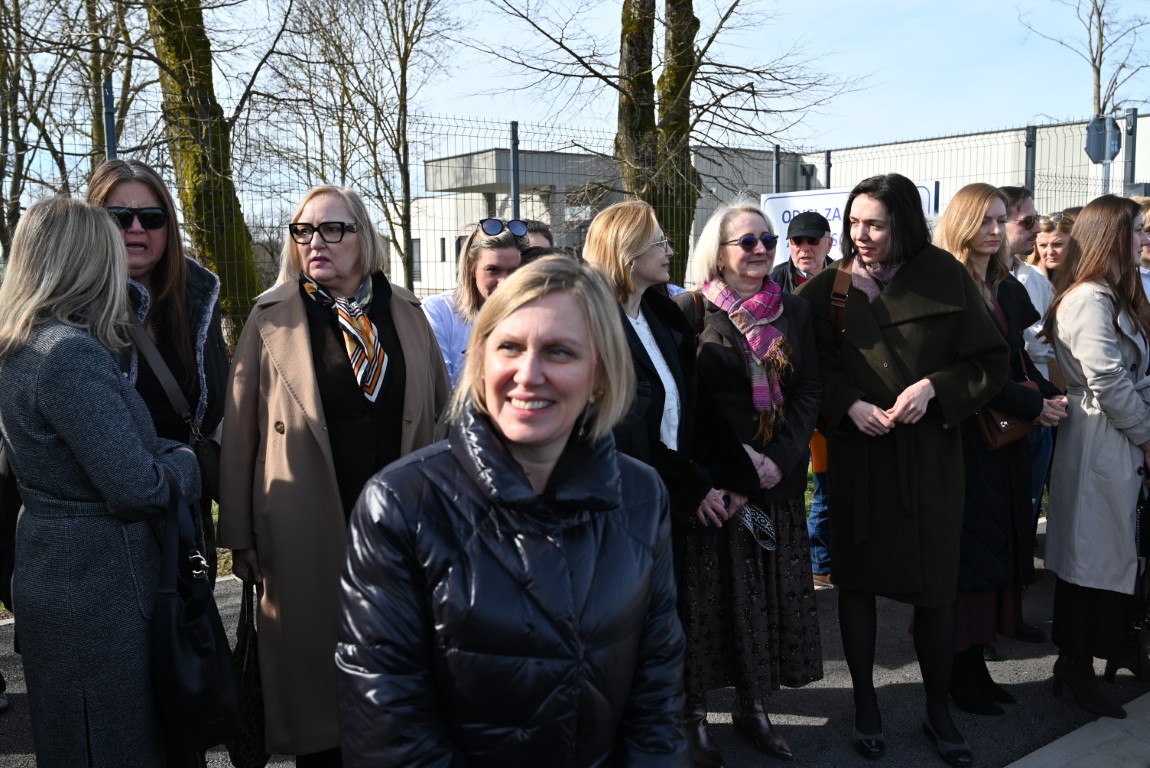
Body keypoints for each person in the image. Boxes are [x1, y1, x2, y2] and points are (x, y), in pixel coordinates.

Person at [335, 256, 687, 766]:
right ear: (480, 360)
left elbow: (658, 701)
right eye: (510, 347)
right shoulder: (399, 505)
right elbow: (389, 732)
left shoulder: (640, 495)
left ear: (600, 374)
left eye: (559, 351)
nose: (528, 374)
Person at [219, 185, 449, 766]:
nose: (314, 242)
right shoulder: (270, 318)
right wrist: (239, 537)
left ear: (363, 237)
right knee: (318, 693)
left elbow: (441, 418)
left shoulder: (407, 313)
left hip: (399, 528)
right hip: (304, 524)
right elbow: (241, 433)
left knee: (397, 675)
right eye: (303, 231)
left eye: (332, 229)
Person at [800, 173, 1007, 767]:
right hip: (860, 458)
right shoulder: (829, 288)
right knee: (856, 584)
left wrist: (934, 388)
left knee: (936, 590)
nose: (860, 235)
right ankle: (865, 702)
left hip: (931, 458)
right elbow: (814, 370)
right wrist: (848, 405)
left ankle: (937, 709)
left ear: (905, 224)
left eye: (876, 224)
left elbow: (988, 360)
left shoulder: (944, 274)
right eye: (854, 223)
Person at [0, 197, 201, 766]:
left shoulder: (21, 343)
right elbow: (139, 488)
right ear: (86, 263)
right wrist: (186, 460)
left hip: (55, 571)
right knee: (112, 744)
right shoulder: (68, 355)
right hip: (98, 586)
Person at [583, 200, 760, 767]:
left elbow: (693, 406)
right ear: (626, 252)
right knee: (625, 632)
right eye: (659, 241)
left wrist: (731, 474)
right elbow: (623, 430)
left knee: (670, 623)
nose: (670, 249)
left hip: (673, 495)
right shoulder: (594, 323)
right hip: (623, 504)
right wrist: (691, 488)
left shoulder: (661, 313)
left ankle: (675, 726)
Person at [675, 199, 824, 762]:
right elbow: (683, 401)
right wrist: (727, 469)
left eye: (767, 240)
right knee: (707, 602)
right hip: (716, 485)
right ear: (718, 252)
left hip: (774, 479)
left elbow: (809, 390)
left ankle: (753, 707)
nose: (761, 249)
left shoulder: (794, 310)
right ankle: (693, 714)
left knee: (763, 598)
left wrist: (781, 459)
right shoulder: (690, 311)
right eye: (747, 241)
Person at [933, 183, 1066, 716]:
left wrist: (1049, 396)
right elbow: (968, 371)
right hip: (962, 438)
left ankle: (975, 665)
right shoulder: (944, 284)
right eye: (984, 220)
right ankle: (954, 672)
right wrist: (1033, 405)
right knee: (966, 557)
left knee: (996, 547)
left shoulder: (1006, 285)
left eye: (998, 220)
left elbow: (1017, 359)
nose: (994, 230)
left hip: (1004, 437)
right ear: (962, 223)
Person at [86, 158, 229, 580]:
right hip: (104, 541)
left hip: (184, 525)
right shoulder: (70, 310)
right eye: (118, 217)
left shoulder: (198, 303)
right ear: (94, 223)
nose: (136, 228)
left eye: (151, 217)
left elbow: (219, 411)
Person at [1042, 194, 1150, 719]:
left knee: (1112, 554)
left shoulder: (1115, 293)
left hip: (1115, 436)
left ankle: (1112, 649)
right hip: (1100, 439)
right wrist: (1147, 436)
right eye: (1137, 230)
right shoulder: (1089, 298)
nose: (1144, 239)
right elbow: (1106, 379)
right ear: (1113, 236)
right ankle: (1076, 665)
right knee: (1087, 560)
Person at [998, 185, 1056, 648]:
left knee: (1023, 511)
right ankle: (983, 623)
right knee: (993, 521)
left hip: (1032, 409)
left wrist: (1050, 398)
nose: (1036, 230)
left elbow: (1040, 348)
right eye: (1028, 221)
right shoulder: (967, 279)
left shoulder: (1030, 279)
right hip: (996, 417)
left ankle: (1010, 609)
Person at [772, 210, 836, 589]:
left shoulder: (845, 280)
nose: (805, 248)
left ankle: (821, 564)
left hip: (830, 399)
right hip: (787, 402)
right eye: (798, 241)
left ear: (829, 242)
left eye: (813, 240)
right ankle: (799, 562)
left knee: (827, 484)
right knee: (791, 483)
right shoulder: (773, 281)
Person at [420, 219, 526, 386]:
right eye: (493, 270)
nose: (504, 282)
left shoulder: (534, 315)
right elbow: (441, 388)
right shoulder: (438, 312)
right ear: (471, 267)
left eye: (513, 271)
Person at [1029, 211, 1072, 281]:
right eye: (1043, 245)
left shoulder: (1088, 277)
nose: (1050, 252)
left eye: (1057, 244)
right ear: (1036, 248)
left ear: (1073, 244)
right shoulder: (1026, 279)